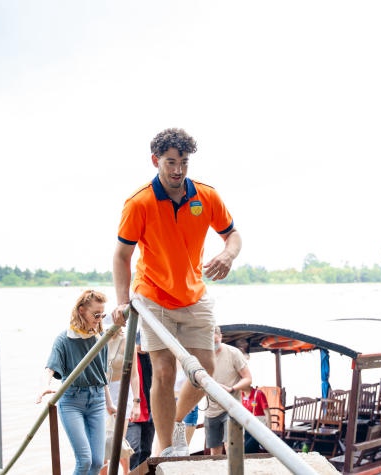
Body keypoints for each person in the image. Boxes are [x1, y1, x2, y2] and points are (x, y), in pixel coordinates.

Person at [111, 127, 242, 457]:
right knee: (165, 371)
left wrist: (227, 254)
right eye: (170, 162)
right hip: (152, 296)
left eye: (183, 162)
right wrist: (123, 303)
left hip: (194, 294)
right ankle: (168, 448)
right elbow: (122, 256)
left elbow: (233, 235)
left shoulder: (206, 196)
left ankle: (177, 425)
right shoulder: (139, 202)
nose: (178, 170)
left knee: (206, 368)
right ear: (156, 161)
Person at [36, 289, 116, 475]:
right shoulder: (64, 339)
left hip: (97, 401)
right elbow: (50, 368)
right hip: (72, 401)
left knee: (97, 462)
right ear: (81, 310)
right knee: (85, 460)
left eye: (102, 314)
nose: (99, 318)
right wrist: (44, 386)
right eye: (96, 314)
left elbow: (101, 375)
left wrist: (110, 404)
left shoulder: (99, 338)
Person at [204, 326, 252, 455]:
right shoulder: (202, 354)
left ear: (220, 337)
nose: (212, 345)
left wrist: (232, 388)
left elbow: (248, 379)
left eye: (215, 341)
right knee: (215, 453)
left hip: (231, 407)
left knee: (232, 447)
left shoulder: (233, 353)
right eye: (209, 342)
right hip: (211, 410)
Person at [99, 326, 141, 475]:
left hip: (121, 392)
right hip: (102, 391)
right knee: (101, 440)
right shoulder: (98, 339)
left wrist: (137, 403)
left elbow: (134, 375)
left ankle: (125, 472)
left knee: (118, 440)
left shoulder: (127, 341)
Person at [125, 332, 155, 470]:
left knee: (147, 452)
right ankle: (131, 472)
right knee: (133, 449)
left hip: (150, 409)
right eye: (140, 344)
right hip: (133, 410)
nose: (143, 347)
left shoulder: (152, 357)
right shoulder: (129, 358)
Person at [241, 386, 270, 453]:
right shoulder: (240, 395)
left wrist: (269, 430)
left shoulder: (258, 394)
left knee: (246, 449)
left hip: (259, 427)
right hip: (247, 427)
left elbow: (267, 413)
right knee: (252, 450)